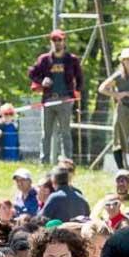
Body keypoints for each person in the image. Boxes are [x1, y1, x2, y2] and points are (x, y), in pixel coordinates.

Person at [28, 29, 82, 164]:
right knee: (46, 134)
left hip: (65, 99)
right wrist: (42, 81)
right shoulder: (44, 59)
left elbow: (80, 78)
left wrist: (75, 96)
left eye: (59, 40)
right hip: (48, 100)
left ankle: (67, 162)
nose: (57, 43)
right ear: (51, 42)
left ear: (64, 42)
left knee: (65, 133)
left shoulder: (72, 59)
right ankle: (44, 162)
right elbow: (32, 73)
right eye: (54, 40)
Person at [100, 48, 129, 169]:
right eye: (127, 59)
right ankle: (121, 169)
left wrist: (127, 93)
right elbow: (102, 88)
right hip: (123, 110)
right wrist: (116, 95)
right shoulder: (118, 77)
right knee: (120, 139)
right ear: (123, 61)